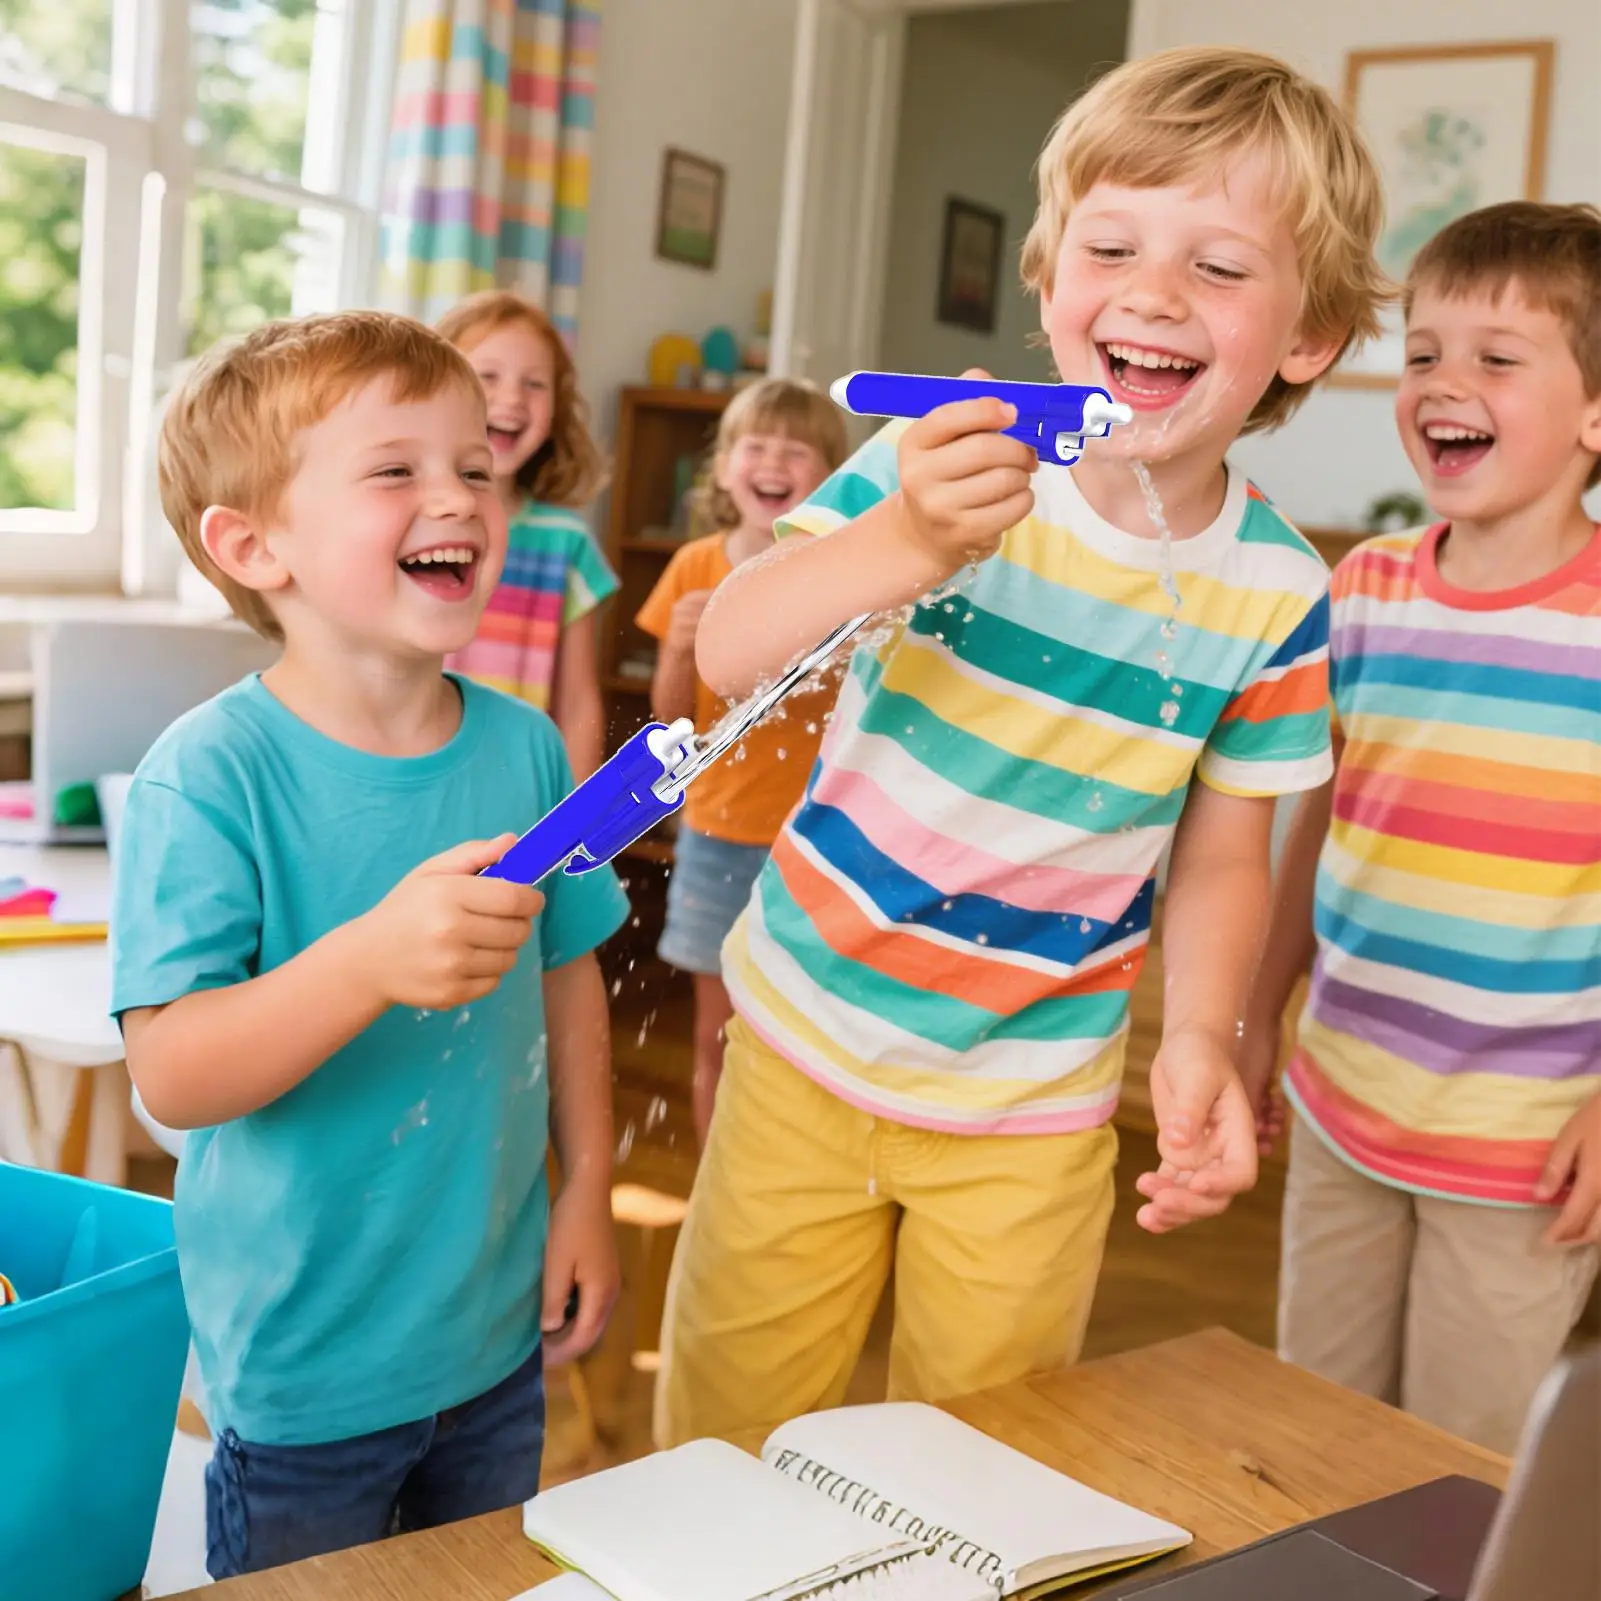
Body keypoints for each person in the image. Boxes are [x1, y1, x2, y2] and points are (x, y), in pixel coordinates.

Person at [653, 45, 1388, 1449]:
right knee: (722, 1449)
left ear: (1307, 339)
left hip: (1037, 1105)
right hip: (804, 1045)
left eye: (1220, 268)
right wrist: (908, 540)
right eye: (1112, 246)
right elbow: (730, 650)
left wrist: (1205, 1043)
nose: (1156, 292)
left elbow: (1231, 847)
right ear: (1053, 287)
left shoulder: (1282, 591)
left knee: (974, 1463)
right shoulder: (936, 465)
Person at [112, 310, 629, 1577]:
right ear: (253, 544)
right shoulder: (209, 776)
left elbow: (568, 986)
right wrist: (365, 959)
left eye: (471, 465)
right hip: (304, 1380)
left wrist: (588, 1192)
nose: (457, 493)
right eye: (396, 468)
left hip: (494, 1343)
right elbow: (173, 1076)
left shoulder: (523, 750)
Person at [1237, 200, 1601, 1456]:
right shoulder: (1365, 589)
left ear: (1595, 413)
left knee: (1458, 1474)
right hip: (1342, 1102)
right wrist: (1249, 1021)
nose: (1444, 382)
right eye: (1425, 351)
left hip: (1522, 1152)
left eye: (1496, 358)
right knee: (1310, 1441)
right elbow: (1318, 828)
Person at [636, 377, 848, 1146]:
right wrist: (681, 646)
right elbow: (669, 723)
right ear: (724, 469)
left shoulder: (839, 567)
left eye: (795, 451)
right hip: (717, 832)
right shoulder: (693, 566)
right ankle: (714, 1191)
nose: (771, 462)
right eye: (753, 447)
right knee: (714, 1033)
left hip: (819, 834)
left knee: (810, 1034)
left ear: (828, 472)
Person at [438, 290, 615, 777]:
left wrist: (577, 823)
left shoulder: (568, 544)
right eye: (488, 376)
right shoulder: (410, 531)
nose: (512, 398)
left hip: (519, 794)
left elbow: (579, 703)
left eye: (535, 384)